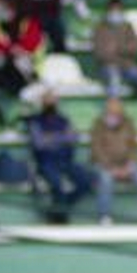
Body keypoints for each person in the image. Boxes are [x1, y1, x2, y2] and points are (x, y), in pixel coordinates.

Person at [26, 90, 94, 224]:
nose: (50, 103)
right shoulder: (35, 121)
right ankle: (60, 217)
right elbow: (39, 143)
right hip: (46, 162)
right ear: (42, 103)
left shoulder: (63, 120)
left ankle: (57, 210)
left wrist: (51, 137)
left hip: (65, 161)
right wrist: (61, 137)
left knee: (86, 181)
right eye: (47, 100)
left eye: (53, 100)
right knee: (57, 185)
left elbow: (74, 138)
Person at [90, 96, 137, 224]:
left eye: (117, 110)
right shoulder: (98, 124)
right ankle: (104, 215)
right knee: (105, 179)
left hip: (126, 164)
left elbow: (134, 147)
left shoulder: (129, 123)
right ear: (106, 110)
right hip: (104, 164)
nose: (114, 113)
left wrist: (129, 166)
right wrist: (111, 167)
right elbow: (96, 150)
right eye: (111, 110)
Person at [92, 0, 137, 102]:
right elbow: (100, 53)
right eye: (112, 9)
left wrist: (118, 48)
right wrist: (123, 52)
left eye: (118, 9)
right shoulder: (100, 28)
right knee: (114, 79)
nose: (115, 12)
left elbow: (136, 49)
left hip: (127, 66)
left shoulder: (128, 27)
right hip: (108, 66)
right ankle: (114, 108)